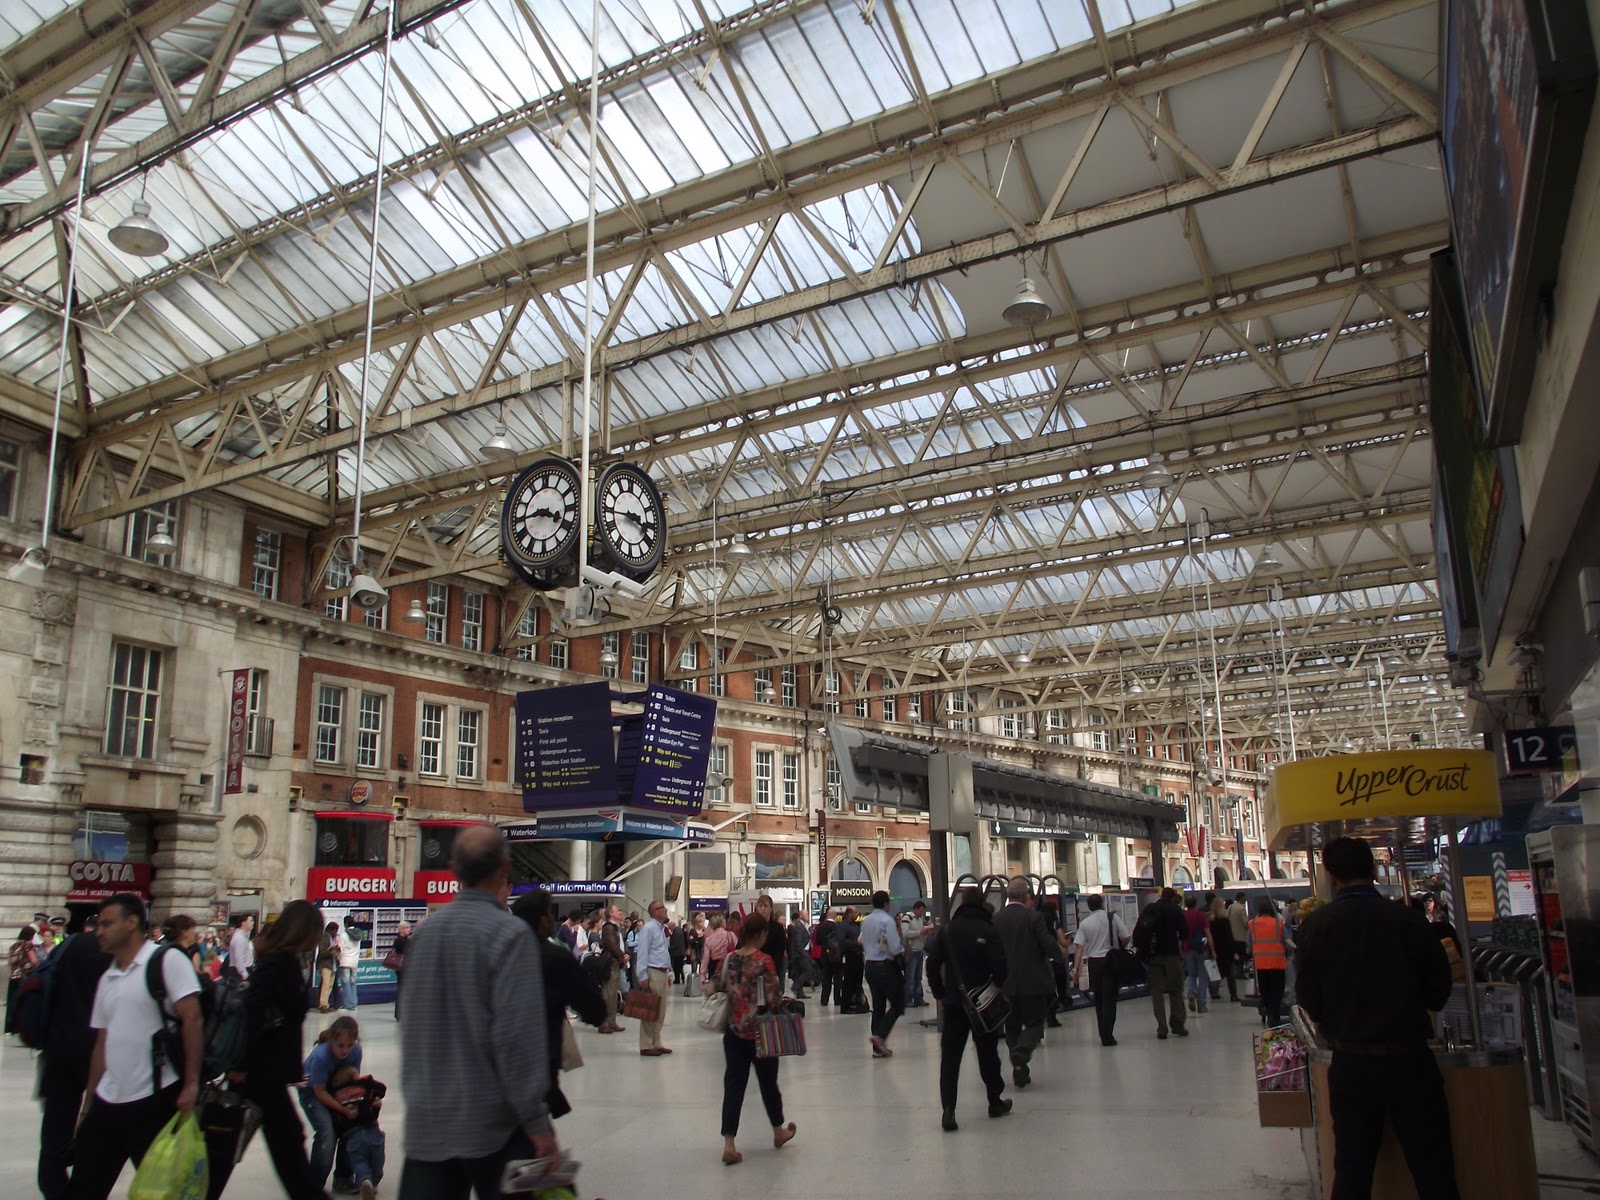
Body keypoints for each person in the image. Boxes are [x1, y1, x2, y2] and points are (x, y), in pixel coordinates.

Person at [397, 824, 557, 1197]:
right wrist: (536, 1122)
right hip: (493, 1127)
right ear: (505, 867)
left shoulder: (423, 936)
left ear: (453, 869)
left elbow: (411, 1026)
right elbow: (515, 1040)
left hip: (428, 1123)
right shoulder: (509, 936)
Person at [1295, 837, 1458, 1200]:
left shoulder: (1316, 927)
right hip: (1411, 1059)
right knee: (1434, 1168)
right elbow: (1439, 988)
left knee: (1352, 1169)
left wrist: (1337, 1017)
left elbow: (1308, 998)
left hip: (1352, 1062)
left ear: (1331, 876)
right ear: (1373, 870)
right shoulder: (1410, 920)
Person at [64, 893, 203, 1200]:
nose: (98, 931)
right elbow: (102, 1043)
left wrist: (191, 1084)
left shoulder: (167, 961)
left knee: (162, 1191)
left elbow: (192, 1020)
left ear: (132, 922)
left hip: (154, 1098)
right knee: (82, 1188)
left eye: (106, 923)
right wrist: (88, 1104)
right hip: (108, 1100)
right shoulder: (108, 977)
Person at [205, 899, 329, 1200]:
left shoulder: (283, 960)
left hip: (267, 1072)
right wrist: (240, 1067)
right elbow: (252, 1010)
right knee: (233, 1140)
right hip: (259, 1071)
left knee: (274, 1141)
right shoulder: (278, 963)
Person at [510, 889, 608, 1120]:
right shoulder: (554, 958)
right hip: (538, 1064)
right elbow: (594, 1010)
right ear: (544, 920)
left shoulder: (499, 950)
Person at [707, 912, 797, 1165]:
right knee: (769, 1083)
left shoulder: (729, 959)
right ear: (760, 934)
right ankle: (778, 1130)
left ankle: (729, 1143)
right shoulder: (764, 961)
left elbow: (714, 986)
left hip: (734, 1032)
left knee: (734, 1086)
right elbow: (774, 999)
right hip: (761, 1033)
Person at [36, 917, 111, 1200]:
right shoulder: (115, 955)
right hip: (99, 1050)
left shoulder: (66, 947)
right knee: (97, 1125)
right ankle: (84, 1188)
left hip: (60, 1047)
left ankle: (53, 1187)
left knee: (56, 1124)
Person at [927, 888, 1011, 1131]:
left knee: (951, 1058)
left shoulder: (948, 931)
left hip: (954, 1003)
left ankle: (948, 1110)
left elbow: (932, 964)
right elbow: (1000, 967)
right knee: (988, 1053)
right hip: (982, 1004)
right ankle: (994, 1101)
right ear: (982, 903)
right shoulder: (988, 929)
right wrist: (994, 985)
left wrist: (940, 994)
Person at [992, 880, 1062, 1087]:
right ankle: (1022, 1051)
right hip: (1034, 982)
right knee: (1035, 1024)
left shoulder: (996, 919)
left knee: (1011, 1026)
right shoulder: (1034, 918)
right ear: (1025, 897)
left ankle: (1019, 1067)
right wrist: (1059, 955)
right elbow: (1048, 944)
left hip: (1006, 984)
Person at [300, 1015, 364, 1190]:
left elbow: (353, 1081)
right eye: (340, 1045)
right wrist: (342, 1110)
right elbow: (319, 1092)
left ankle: (343, 1179)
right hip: (312, 1091)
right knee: (327, 1133)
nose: (345, 1050)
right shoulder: (321, 1057)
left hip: (336, 1088)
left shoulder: (356, 1052)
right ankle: (313, 1186)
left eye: (349, 1045)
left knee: (350, 1127)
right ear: (331, 1041)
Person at [1071, 894, 1131, 1046]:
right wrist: (1117, 945)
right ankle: (1108, 1035)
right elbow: (1126, 937)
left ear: (1089, 907)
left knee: (1099, 998)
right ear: (1102, 904)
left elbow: (1079, 947)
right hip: (1111, 961)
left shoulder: (1085, 923)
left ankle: (1102, 1033)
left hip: (1094, 963)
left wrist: (1076, 970)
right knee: (1110, 998)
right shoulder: (1112, 918)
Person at [328, 1065, 386, 1200]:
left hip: (352, 1136)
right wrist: (375, 1104)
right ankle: (374, 1182)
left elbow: (338, 1122)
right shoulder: (364, 1087)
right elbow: (382, 1089)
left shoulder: (336, 1097)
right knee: (377, 1162)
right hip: (373, 1132)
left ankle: (365, 1181)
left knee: (359, 1163)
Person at [860, 891, 905, 1057]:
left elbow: (861, 941)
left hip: (870, 966)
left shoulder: (866, 921)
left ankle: (877, 1049)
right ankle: (880, 1036)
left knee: (878, 1006)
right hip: (885, 966)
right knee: (898, 1004)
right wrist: (901, 950)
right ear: (886, 904)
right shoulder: (887, 920)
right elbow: (894, 947)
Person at [1141, 888, 1191, 1039]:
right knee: (1175, 990)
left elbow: (1141, 931)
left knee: (1157, 992)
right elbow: (1184, 933)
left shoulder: (1151, 909)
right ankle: (1177, 1024)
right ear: (1173, 897)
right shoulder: (1175, 911)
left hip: (1154, 955)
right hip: (1171, 954)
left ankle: (1161, 1028)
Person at [634, 899, 674, 1057]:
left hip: (662, 972)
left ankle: (656, 1042)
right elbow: (642, 952)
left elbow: (664, 952)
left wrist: (669, 973)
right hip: (653, 972)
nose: (665, 910)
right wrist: (642, 975)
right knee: (650, 1008)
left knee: (661, 1010)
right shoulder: (649, 928)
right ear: (655, 912)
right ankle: (646, 1044)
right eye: (662, 908)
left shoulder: (661, 929)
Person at [1251, 897, 1291, 1027]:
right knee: (1277, 991)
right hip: (1277, 962)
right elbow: (1287, 942)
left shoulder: (1252, 923)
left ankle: (1269, 1013)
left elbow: (1248, 943)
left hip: (1260, 963)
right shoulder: (1278, 924)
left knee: (1265, 990)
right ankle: (1275, 1015)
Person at [596, 906, 627, 1034]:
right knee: (607, 994)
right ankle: (604, 1023)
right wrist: (622, 955)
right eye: (617, 911)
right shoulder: (608, 928)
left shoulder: (616, 928)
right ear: (611, 914)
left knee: (613, 994)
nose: (620, 912)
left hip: (616, 963)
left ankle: (612, 1021)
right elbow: (611, 944)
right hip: (610, 963)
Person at [1182, 892, 1213, 1014]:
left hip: (1187, 949)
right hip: (1201, 948)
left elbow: (1180, 936)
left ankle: (1191, 992)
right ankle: (1201, 1004)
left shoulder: (1183, 916)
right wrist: (1213, 950)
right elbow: (1208, 933)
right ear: (1196, 904)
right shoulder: (1201, 915)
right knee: (1203, 977)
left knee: (1192, 975)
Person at [6, 923, 40, 1032]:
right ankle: (19, 1027)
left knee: (11, 1002)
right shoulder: (28, 945)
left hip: (13, 976)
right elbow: (34, 960)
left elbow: (9, 962)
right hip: (24, 977)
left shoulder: (14, 946)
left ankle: (9, 1028)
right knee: (22, 1002)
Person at [755, 895, 789, 996]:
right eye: (760, 906)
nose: (762, 909)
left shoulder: (777, 928)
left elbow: (780, 951)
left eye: (765, 906)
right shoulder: (752, 925)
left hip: (772, 965)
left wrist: (774, 970)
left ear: (771, 908)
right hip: (754, 966)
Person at [900, 901, 931, 1008]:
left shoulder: (919, 920)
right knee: (910, 976)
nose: (922, 913)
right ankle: (908, 998)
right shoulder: (907, 918)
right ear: (916, 909)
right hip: (911, 952)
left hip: (919, 951)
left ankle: (918, 997)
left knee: (918, 977)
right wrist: (920, 932)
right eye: (921, 911)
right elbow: (905, 933)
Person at [837, 907, 867, 1013]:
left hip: (858, 955)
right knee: (849, 982)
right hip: (850, 956)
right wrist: (856, 943)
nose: (857, 914)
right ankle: (845, 1006)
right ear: (849, 913)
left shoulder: (855, 926)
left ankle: (856, 1003)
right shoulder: (843, 926)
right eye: (855, 912)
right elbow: (841, 941)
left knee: (857, 981)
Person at [1209, 894, 1237, 1003]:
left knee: (1215, 972)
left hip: (1215, 948)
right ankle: (1233, 994)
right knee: (1230, 973)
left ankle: (1214, 992)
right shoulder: (1225, 920)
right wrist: (1234, 951)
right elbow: (1229, 937)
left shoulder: (1211, 921)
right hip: (1226, 950)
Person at [701, 912, 736, 987]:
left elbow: (705, 958)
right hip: (728, 965)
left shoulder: (708, 939)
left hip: (714, 967)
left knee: (715, 992)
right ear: (722, 922)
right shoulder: (730, 935)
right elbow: (737, 950)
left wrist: (702, 975)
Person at [813, 910, 840, 1007]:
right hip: (836, 956)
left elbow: (818, 941)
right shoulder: (837, 927)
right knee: (837, 978)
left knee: (826, 978)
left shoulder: (820, 927)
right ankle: (837, 999)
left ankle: (824, 1000)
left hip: (824, 955)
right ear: (835, 916)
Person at [338, 918, 362, 1011]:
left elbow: (341, 949)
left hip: (345, 961)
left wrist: (338, 958)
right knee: (353, 982)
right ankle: (354, 1003)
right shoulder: (359, 933)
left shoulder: (344, 935)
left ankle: (348, 1004)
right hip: (355, 961)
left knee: (345, 983)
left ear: (346, 924)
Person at [786, 913, 811, 999]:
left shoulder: (803, 925)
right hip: (801, 954)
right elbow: (798, 941)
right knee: (807, 970)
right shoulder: (799, 926)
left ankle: (800, 992)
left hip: (801, 953)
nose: (807, 916)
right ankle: (795, 987)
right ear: (801, 916)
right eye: (806, 914)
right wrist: (802, 953)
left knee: (800, 972)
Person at [317, 923, 340, 1014]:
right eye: (335, 931)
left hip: (333, 964)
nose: (336, 933)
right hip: (325, 964)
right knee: (325, 985)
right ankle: (322, 1005)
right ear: (331, 930)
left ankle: (326, 1004)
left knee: (330, 985)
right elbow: (321, 953)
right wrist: (330, 950)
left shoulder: (334, 939)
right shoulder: (324, 938)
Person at [390, 921, 411, 1020]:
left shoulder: (405, 940)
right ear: (402, 929)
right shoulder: (401, 941)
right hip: (403, 968)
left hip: (402, 967)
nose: (409, 929)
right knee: (403, 990)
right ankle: (400, 1013)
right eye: (407, 927)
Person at [227, 913, 255, 979]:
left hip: (246, 969)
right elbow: (239, 959)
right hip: (240, 973)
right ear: (243, 923)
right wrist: (244, 974)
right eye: (251, 921)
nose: (253, 923)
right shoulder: (239, 939)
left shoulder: (244, 937)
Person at [1229, 892, 1251, 974]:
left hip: (1232, 935)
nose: (1245, 900)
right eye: (1244, 898)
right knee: (1242, 955)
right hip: (1241, 936)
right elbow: (1246, 922)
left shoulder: (1231, 907)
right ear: (1241, 898)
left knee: (1234, 955)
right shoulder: (1241, 908)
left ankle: (1234, 972)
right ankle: (1240, 973)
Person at [668, 919, 687, 986]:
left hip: (677, 953)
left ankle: (677, 979)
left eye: (670, 927)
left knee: (677, 967)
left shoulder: (677, 932)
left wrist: (669, 948)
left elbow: (676, 943)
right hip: (679, 952)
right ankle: (681, 978)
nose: (669, 929)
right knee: (680, 967)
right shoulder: (678, 931)